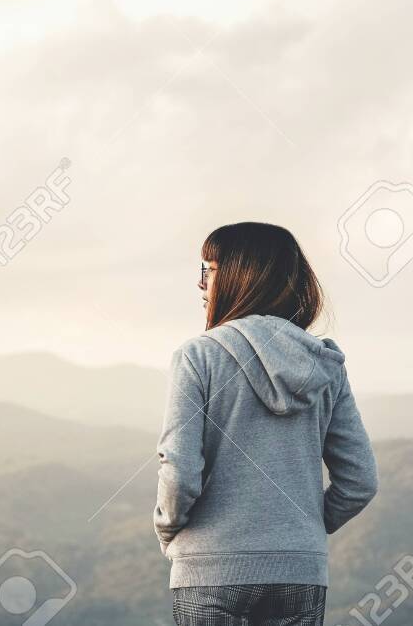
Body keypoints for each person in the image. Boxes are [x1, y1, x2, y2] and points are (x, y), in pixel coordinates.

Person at [154, 222, 379, 626]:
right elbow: (360, 480)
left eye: (210, 269)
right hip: (300, 572)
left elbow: (180, 470)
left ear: (242, 276)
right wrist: (303, 529)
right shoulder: (325, 364)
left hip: (210, 569)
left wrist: (169, 532)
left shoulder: (198, 357)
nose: (201, 283)